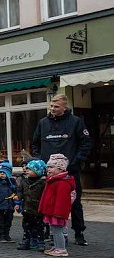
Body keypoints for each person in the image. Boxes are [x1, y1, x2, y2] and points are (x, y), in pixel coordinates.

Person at [31, 94, 92, 246]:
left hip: (69, 172)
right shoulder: (43, 123)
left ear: (64, 107)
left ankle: (79, 233)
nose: (52, 109)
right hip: (48, 173)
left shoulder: (76, 122)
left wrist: (76, 162)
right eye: (51, 106)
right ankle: (47, 232)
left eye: (56, 107)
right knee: (47, 202)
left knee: (75, 202)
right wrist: (41, 162)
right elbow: (35, 144)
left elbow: (86, 143)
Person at [39, 153, 77, 257]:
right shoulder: (54, 180)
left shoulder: (61, 182)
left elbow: (62, 200)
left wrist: (58, 213)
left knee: (57, 231)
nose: (48, 169)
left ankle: (61, 249)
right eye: (48, 167)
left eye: (51, 167)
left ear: (60, 169)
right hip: (53, 211)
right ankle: (57, 247)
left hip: (57, 212)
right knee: (54, 230)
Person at [13, 159, 47, 251]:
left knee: (39, 226)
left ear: (37, 171)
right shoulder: (24, 181)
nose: (27, 170)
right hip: (26, 208)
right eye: (27, 168)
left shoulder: (43, 183)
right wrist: (18, 197)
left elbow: (45, 195)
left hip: (38, 209)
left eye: (30, 169)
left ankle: (40, 242)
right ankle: (26, 241)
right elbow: (20, 191)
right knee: (26, 226)